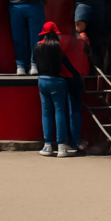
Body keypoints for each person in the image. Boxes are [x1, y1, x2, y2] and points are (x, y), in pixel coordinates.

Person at [32, 21, 81, 158]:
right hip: (57, 81)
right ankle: (61, 147)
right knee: (60, 112)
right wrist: (77, 76)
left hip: (42, 80)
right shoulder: (56, 47)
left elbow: (34, 61)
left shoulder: (37, 46)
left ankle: (47, 145)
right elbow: (67, 64)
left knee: (46, 112)